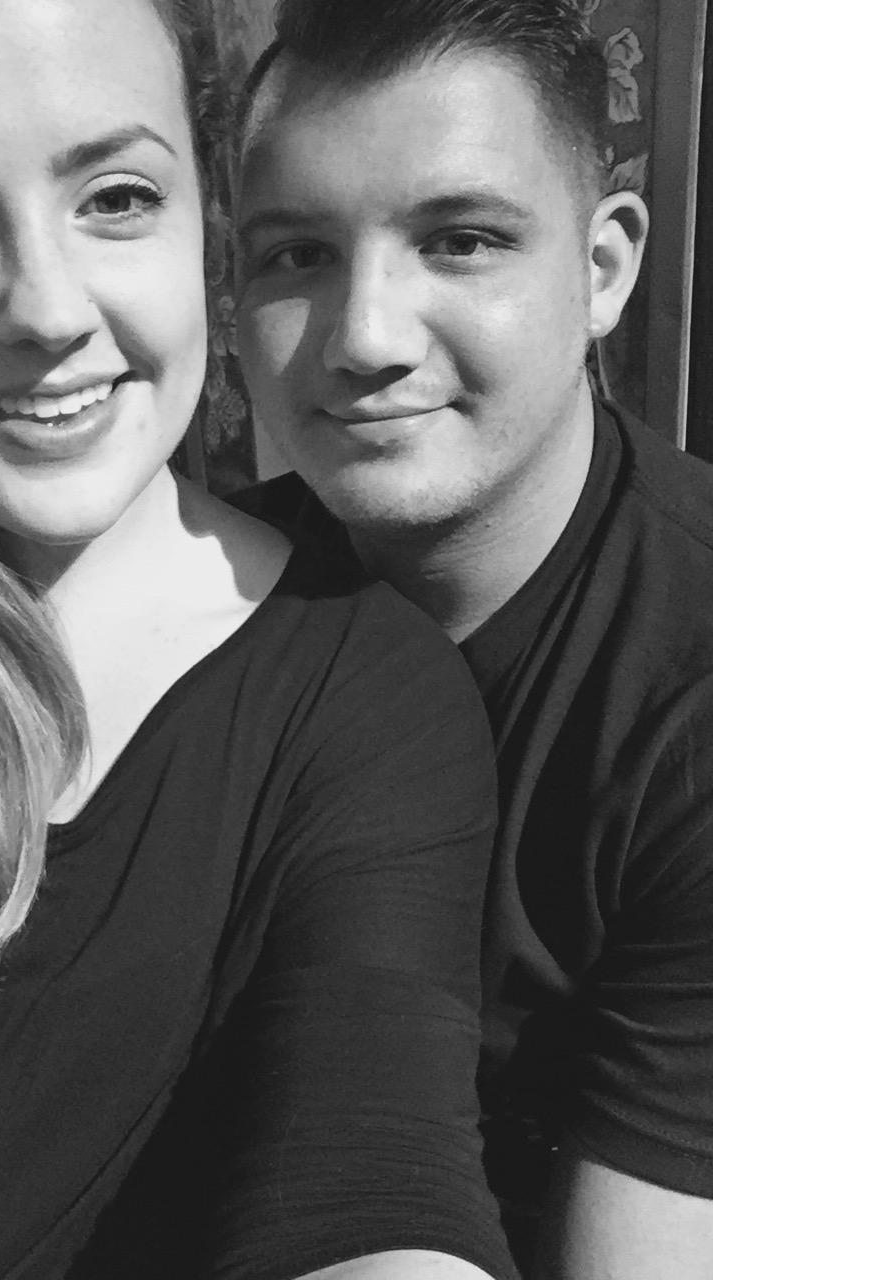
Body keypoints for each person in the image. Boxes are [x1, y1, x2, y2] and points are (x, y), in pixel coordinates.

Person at [0, 0, 520, 1277]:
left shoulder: (355, 699)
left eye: (114, 198)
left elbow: (377, 1170)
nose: (47, 310)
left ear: (207, 223)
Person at [231, 2, 712, 1277]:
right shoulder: (197, 605)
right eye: (296, 254)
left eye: (459, 241)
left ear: (601, 269)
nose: (365, 337)